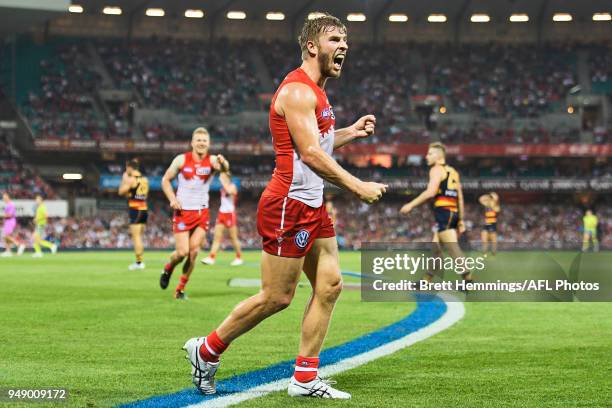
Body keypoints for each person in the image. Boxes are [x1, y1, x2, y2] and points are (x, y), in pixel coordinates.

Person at [181, 13, 387, 399]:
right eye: (335, 40)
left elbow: (317, 142)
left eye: (345, 40)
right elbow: (309, 154)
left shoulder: (318, 91)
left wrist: (350, 132)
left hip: (313, 204)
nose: (344, 46)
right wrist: (357, 185)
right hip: (288, 205)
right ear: (312, 46)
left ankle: (305, 379)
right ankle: (206, 350)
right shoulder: (297, 92)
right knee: (277, 297)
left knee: (330, 285)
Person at [159, 127, 231, 300]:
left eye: (204, 141)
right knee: (182, 252)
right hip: (183, 212)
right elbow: (165, 180)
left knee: (193, 253)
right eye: (198, 140)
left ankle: (180, 289)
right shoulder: (181, 160)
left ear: (208, 144)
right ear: (192, 142)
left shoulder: (213, 160)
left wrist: (223, 162)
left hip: (201, 213)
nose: (201, 143)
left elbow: (224, 169)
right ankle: (168, 268)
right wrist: (172, 199)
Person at [400, 142, 472, 283]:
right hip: (452, 212)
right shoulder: (453, 172)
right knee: (436, 250)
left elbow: (431, 192)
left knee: (452, 248)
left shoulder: (436, 169)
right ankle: (427, 279)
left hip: (444, 212)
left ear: (439, 157)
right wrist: (461, 219)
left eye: (430, 153)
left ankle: (468, 279)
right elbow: (460, 197)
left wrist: (411, 204)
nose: (427, 156)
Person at [201, 175, 243, 266]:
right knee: (217, 237)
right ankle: (211, 257)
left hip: (230, 214)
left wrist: (223, 181)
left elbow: (230, 191)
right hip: (221, 214)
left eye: (224, 177)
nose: (221, 178)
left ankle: (239, 257)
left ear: (228, 178)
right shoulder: (223, 186)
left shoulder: (232, 186)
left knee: (233, 237)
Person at [118, 159, 149, 270]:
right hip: (144, 209)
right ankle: (140, 261)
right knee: (139, 236)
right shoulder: (145, 179)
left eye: (127, 168)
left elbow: (121, 191)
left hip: (135, 210)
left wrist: (124, 179)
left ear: (130, 167)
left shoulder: (131, 179)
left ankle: (139, 262)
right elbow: (141, 194)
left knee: (136, 237)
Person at [1, 192, 25, 257]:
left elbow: (10, 215)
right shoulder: (7, 204)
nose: (4, 198)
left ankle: (19, 244)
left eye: (5, 197)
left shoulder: (11, 204)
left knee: (6, 236)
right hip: (7, 222)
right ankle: (8, 251)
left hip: (10, 221)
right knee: (7, 237)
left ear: (8, 197)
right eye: (3, 197)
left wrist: (2, 215)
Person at [479, 192, 500, 256]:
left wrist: (494, 198)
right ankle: (485, 252)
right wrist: (488, 196)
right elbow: (480, 199)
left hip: (493, 224)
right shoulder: (487, 204)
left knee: (493, 239)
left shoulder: (496, 206)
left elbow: (496, 210)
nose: (490, 199)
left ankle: (494, 252)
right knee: (484, 238)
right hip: (486, 223)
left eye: (491, 197)